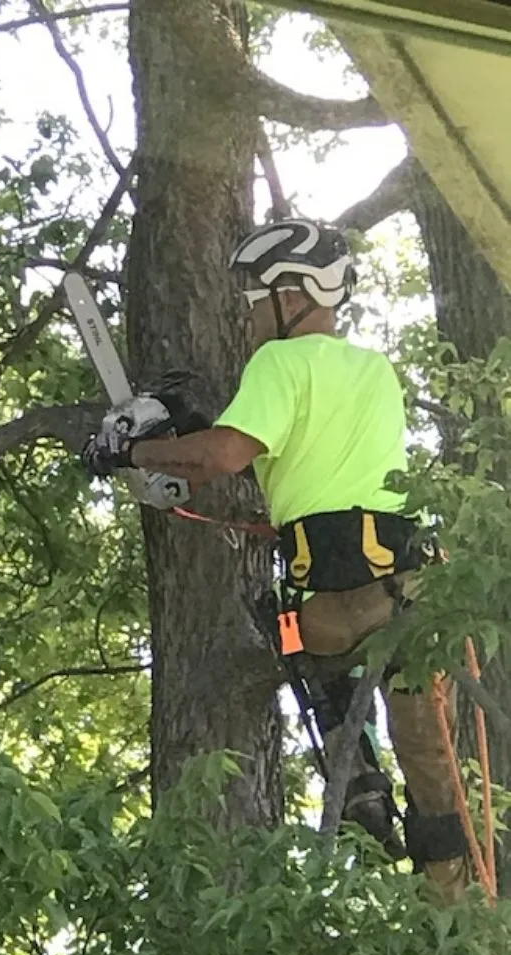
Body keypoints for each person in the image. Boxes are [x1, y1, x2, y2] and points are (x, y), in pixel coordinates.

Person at [82, 218, 469, 904]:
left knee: (315, 675)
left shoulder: (280, 364)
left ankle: (365, 808)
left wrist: (131, 452)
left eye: (260, 300)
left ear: (294, 294)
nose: (253, 317)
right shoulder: (374, 370)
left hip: (329, 604)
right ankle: (454, 897)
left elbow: (224, 456)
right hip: (408, 590)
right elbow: (315, 456)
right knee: (432, 762)